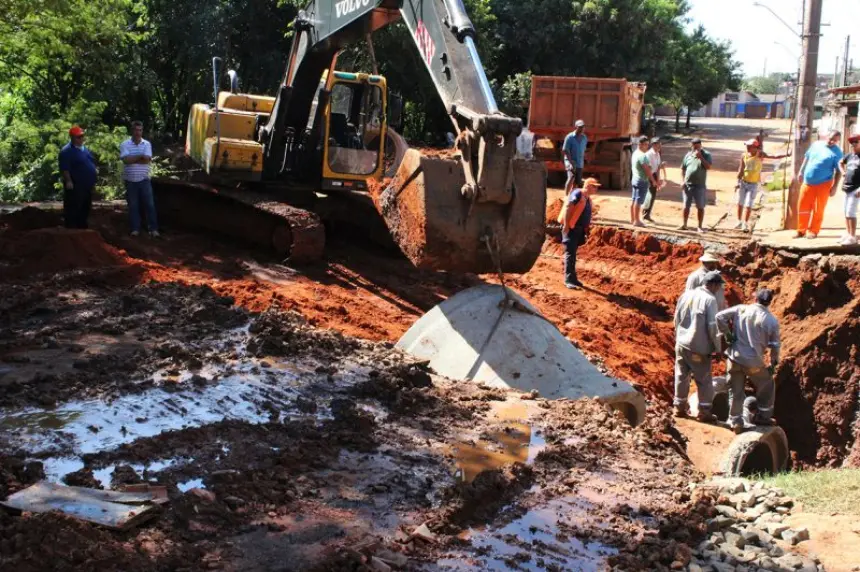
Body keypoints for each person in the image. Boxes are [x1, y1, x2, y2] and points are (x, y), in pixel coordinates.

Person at [716, 288, 781, 434]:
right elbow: (775, 346)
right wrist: (773, 364)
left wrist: (727, 334)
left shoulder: (741, 309)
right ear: (769, 302)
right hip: (753, 363)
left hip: (734, 358)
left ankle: (736, 421)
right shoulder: (771, 321)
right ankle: (763, 417)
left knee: (735, 390)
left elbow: (719, 317)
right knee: (767, 384)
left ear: (756, 299)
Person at [673, 270, 724, 422]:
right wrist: (718, 348)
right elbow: (712, 327)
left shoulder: (686, 294)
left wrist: (679, 336)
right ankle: (704, 412)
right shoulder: (710, 300)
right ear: (713, 285)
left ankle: (678, 407)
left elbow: (676, 318)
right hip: (698, 348)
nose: (719, 290)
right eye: (719, 286)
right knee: (704, 380)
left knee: (681, 375)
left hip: (682, 344)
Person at [795, 130, 844, 239]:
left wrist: (835, 187)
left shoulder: (837, 153)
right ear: (826, 136)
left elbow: (839, 171)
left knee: (818, 209)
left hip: (824, 184)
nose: (831, 141)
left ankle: (813, 230)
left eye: (835, 141)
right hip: (807, 182)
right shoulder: (816, 145)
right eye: (830, 138)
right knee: (802, 206)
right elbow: (807, 157)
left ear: (838, 141)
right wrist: (801, 171)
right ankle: (801, 230)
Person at [120, 120, 159, 237]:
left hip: (144, 179)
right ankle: (135, 229)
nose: (138, 132)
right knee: (133, 205)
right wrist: (140, 156)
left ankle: (153, 229)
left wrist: (133, 158)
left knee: (149, 204)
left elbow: (147, 160)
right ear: (132, 131)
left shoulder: (146, 144)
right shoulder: (124, 144)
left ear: (142, 131)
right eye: (136, 130)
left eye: (140, 130)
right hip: (130, 180)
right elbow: (126, 160)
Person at [560, 177, 599, 289]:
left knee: (572, 254)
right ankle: (568, 279)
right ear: (587, 186)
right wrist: (566, 225)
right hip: (571, 228)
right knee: (570, 254)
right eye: (594, 186)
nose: (596, 189)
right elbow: (568, 207)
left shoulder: (587, 198)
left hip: (579, 229)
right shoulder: (577, 193)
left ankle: (573, 278)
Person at [58, 126, 97, 229]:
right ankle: (71, 229)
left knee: (85, 207)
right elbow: (65, 168)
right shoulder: (66, 151)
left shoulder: (84, 149)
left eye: (82, 136)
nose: (81, 139)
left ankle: (82, 227)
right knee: (73, 208)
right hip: (75, 185)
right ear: (72, 137)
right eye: (78, 137)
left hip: (87, 185)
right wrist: (68, 181)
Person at [680, 138, 713, 233]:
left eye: (697, 147)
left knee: (700, 206)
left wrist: (701, 157)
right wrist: (682, 181)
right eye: (694, 146)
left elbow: (709, 167)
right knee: (686, 206)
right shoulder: (688, 155)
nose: (695, 149)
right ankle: (684, 224)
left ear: (700, 145)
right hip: (687, 185)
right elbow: (682, 168)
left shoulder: (706, 154)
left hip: (699, 185)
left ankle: (699, 226)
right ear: (691, 146)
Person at [838, 133, 860, 246]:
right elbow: (840, 162)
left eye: (856, 142)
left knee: (851, 212)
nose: (853, 144)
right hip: (847, 188)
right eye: (851, 142)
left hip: (856, 189)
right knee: (846, 211)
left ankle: (852, 236)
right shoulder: (849, 156)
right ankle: (848, 233)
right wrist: (843, 172)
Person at [630, 136, 657, 227]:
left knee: (634, 200)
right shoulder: (642, 156)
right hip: (642, 180)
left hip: (635, 179)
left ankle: (633, 219)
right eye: (645, 145)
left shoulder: (635, 153)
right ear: (640, 144)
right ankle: (637, 221)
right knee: (638, 201)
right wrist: (653, 180)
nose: (647, 147)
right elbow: (646, 169)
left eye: (647, 145)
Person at [643, 137, 666, 222]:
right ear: (652, 145)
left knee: (652, 196)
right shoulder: (649, 154)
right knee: (648, 196)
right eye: (656, 144)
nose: (658, 146)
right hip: (648, 176)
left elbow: (657, 168)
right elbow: (648, 170)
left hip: (654, 175)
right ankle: (645, 214)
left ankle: (647, 214)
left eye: (659, 144)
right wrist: (653, 180)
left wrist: (658, 179)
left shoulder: (657, 154)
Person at [563, 120, 587, 194]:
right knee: (571, 177)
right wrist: (571, 162)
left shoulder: (584, 138)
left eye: (583, 127)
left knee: (577, 181)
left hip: (579, 162)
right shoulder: (569, 137)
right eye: (580, 127)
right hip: (570, 161)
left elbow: (583, 149)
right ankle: (566, 196)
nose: (582, 129)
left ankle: (572, 197)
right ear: (576, 127)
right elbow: (565, 150)